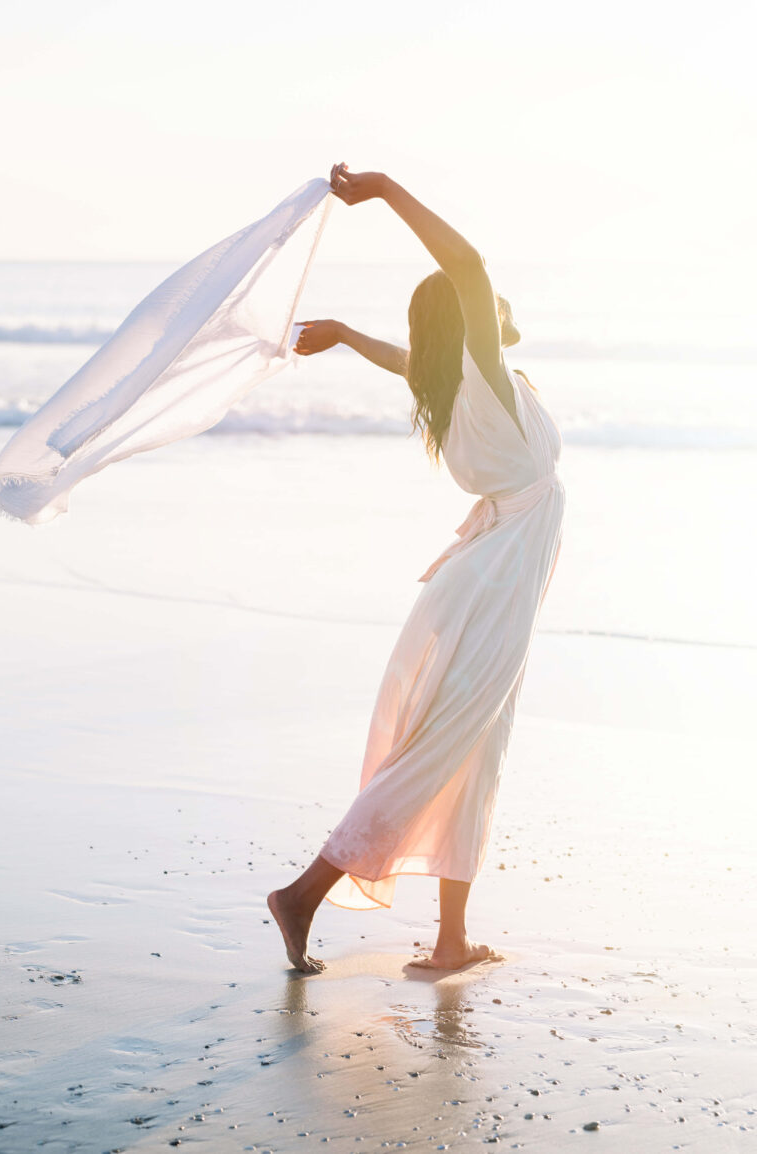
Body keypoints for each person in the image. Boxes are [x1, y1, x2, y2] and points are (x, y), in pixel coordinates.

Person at [267, 163, 564, 973]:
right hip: (493, 585)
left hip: (492, 582)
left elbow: (411, 361)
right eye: (481, 305)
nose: (495, 303)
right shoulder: (487, 381)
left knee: (477, 751)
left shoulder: (457, 383)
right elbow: (466, 267)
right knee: (440, 750)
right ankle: (302, 895)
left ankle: (451, 939)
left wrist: (348, 336)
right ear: (469, 323)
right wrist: (390, 189)